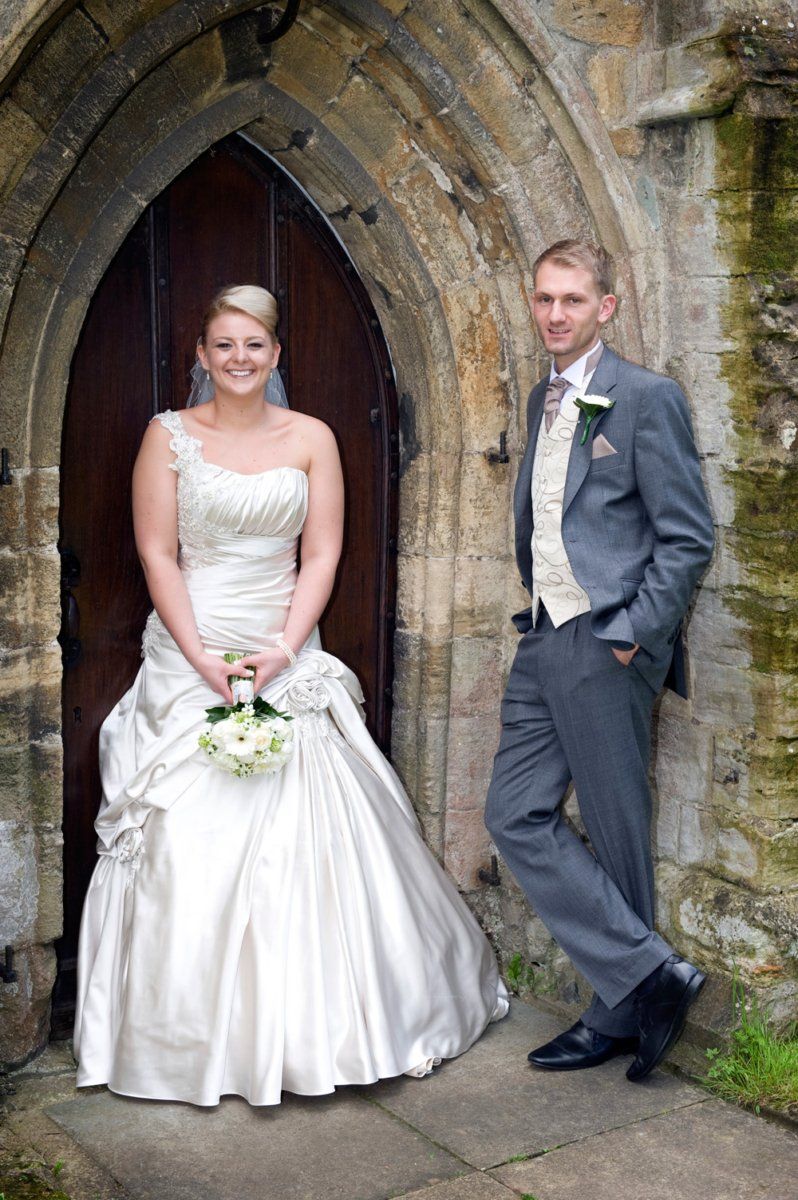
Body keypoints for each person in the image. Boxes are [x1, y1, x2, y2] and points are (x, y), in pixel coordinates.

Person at [74, 284, 508, 1107]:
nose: (240, 359)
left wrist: (280, 652)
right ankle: (186, 1042)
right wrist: (203, 660)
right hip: (191, 650)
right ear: (200, 355)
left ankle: (338, 1027)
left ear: (277, 356)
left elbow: (323, 552)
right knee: (184, 835)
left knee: (312, 821)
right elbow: (157, 553)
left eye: (255, 346)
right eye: (224, 345)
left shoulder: (311, 438)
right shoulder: (166, 438)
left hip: (281, 646)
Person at [485, 240, 714, 1082]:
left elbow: (688, 537)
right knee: (514, 813)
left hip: (606, 639)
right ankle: (651, 977)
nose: (554, 315)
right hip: (544, 635)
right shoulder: (543, 395)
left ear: (605, 307)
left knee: (618, 834)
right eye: (543, 299)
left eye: (572, 301)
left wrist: (632, 635)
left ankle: (617, 1014)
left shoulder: (647, 399)